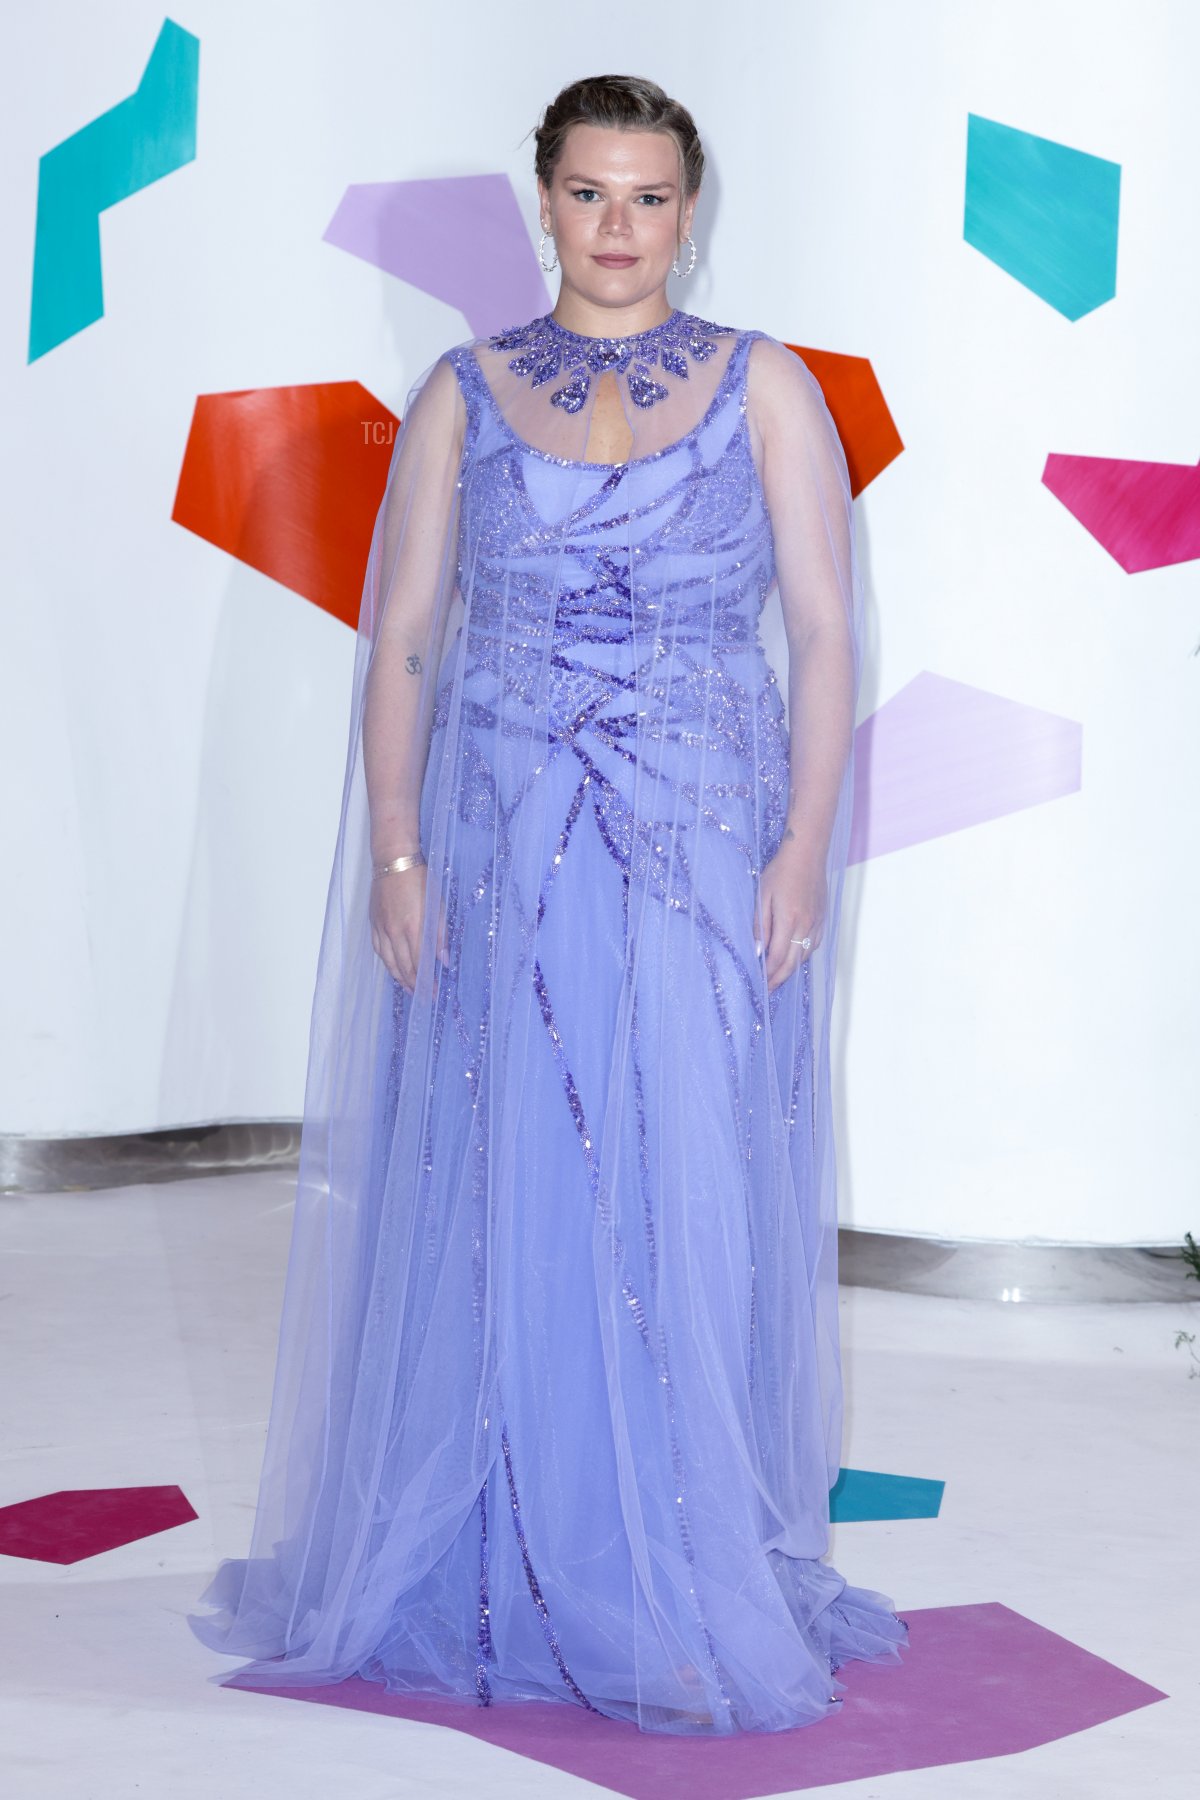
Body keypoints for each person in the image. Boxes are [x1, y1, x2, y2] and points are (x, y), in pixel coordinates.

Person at [189, 73, 910, 1736]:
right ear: (544, 203)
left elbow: (819, 633)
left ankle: (665, 1561)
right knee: (507, 1196)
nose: (618, 228)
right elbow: (412, 634)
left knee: (677, 1190)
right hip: (504, 850)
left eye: (649, 197)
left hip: (692, 850)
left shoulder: (768, 389)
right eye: (589, 193)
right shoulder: (462, 392)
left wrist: (802, 846)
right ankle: (504, 1555)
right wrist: (394, 848)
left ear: (690, 210)